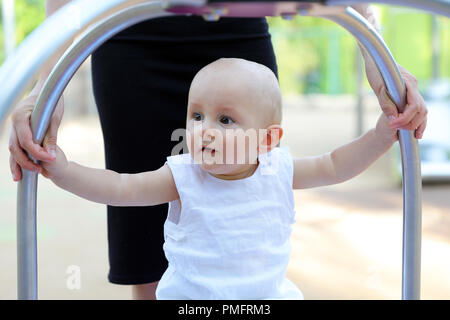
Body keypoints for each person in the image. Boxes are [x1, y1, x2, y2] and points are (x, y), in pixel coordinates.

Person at [8, 2, 427, 299]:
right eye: (195, 119)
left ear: (267, 140)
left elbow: (334, 165)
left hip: (236, 21)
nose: (203, 131)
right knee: (144, 261)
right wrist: (59, 164)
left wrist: (382, 132)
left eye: (223, 121)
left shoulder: (274, 166)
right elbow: (121, 188)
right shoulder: (181, 172)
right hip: (132, 29)